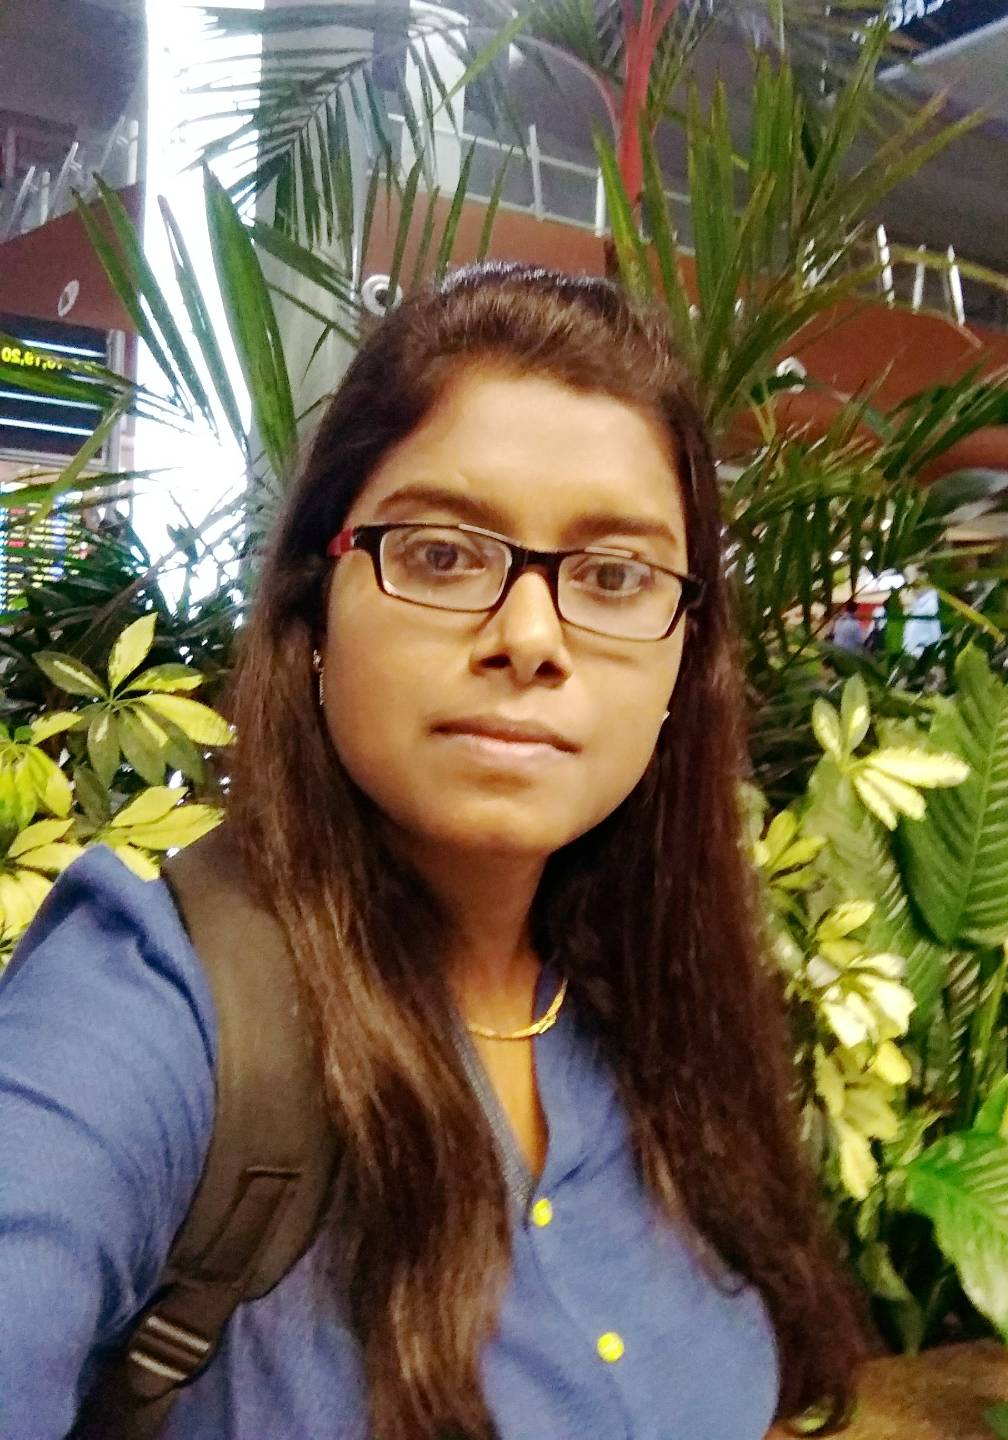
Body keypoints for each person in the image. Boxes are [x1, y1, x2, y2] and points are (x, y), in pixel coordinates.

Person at [0, 265, 870, 1439]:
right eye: (444, 554)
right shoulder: (164, 1011)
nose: (531, 636)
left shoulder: (661, 1001)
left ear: (683, 657)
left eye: (615, 576)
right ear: (318, 605)